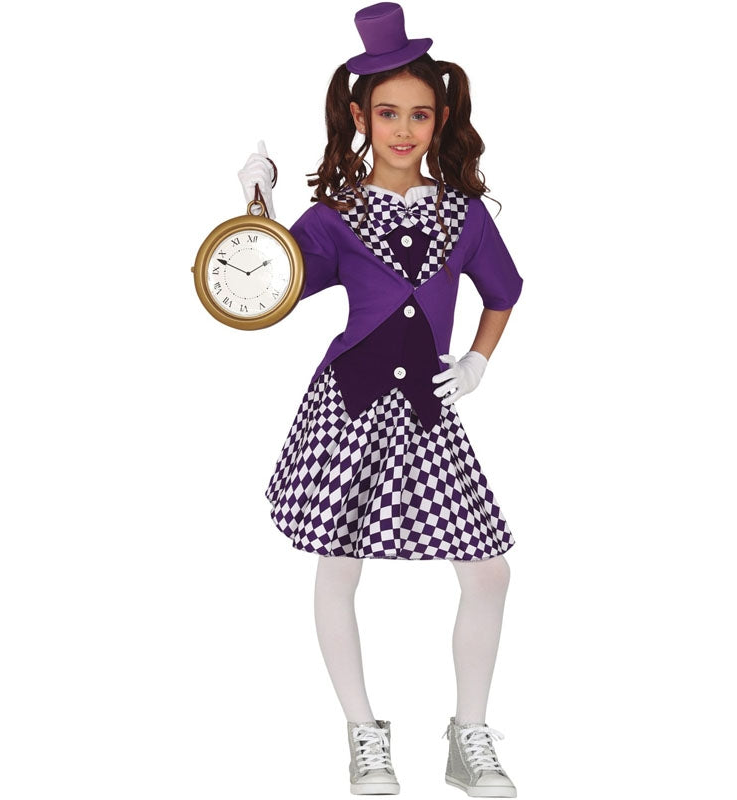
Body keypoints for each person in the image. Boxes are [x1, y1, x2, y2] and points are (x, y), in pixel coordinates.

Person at [238, 3, 523, 796]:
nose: (404, 129)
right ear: (360, 117)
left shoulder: (464, 214)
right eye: (388, 113)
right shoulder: (334, 217)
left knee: (488, 571)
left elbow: (503, 291)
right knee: (339, 562)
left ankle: (470, 734)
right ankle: (364, 734)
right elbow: (270, 283)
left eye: (420, 114)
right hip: (352, 402)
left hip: (428, 405)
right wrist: (258, 206)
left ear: (441, 120)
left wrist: (478, 359)